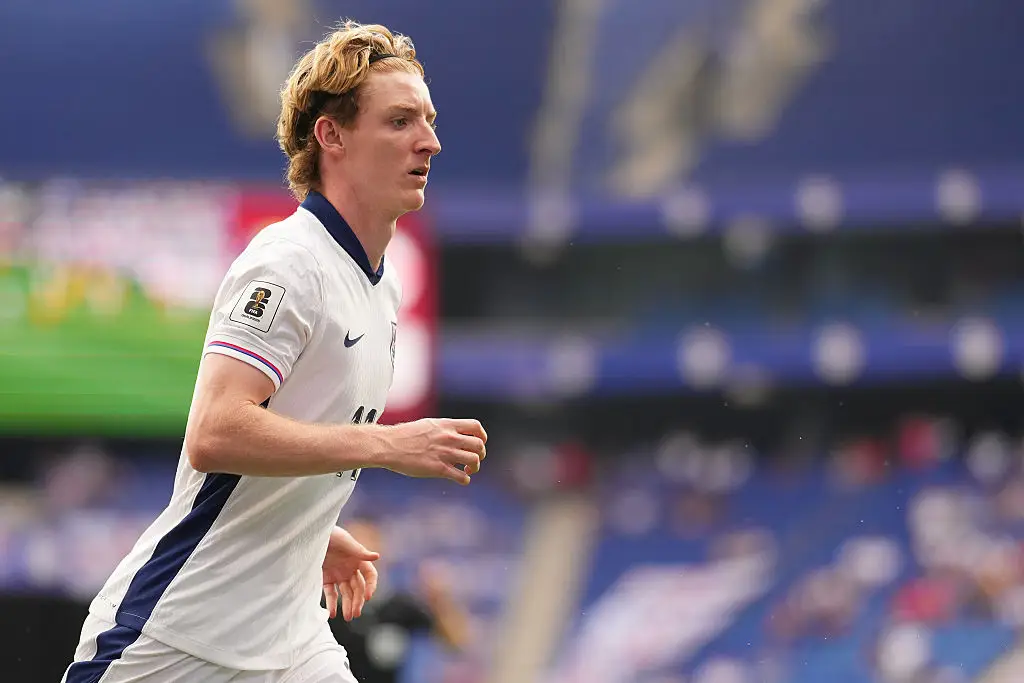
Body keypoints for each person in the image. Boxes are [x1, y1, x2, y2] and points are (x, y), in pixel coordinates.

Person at [62, 19, 487, 683]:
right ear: (332, 136)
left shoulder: (384, 282)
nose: (429, 140)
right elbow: (216, 430)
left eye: (428, 119)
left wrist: (307, 531)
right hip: (179, 639)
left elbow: (299, 429)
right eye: (400, 121)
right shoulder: (288, 263)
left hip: (291, 641)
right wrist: (391, 446)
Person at [328, 517, 471, 683]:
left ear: (382, 550)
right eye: (353, 540)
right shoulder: (322, 605)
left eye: (367, 542)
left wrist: (441, 602)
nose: (359, 551)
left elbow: (456, 642)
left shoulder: (400, 607)